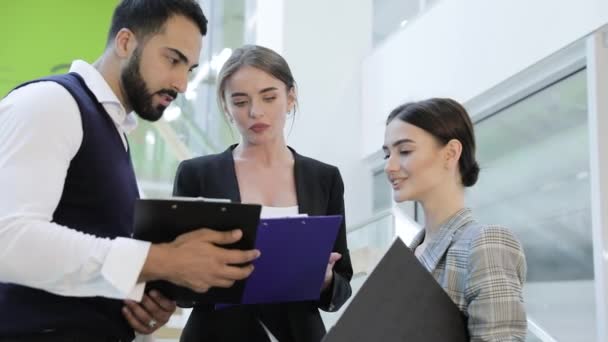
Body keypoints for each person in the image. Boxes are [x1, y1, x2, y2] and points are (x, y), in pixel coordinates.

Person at [0, 1, 261, 341]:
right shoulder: (51, 102)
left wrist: (134, 294)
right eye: (173, 59)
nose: (182, 83)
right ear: (125, 43)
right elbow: (10, 240)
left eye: (190, 69)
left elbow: (81, 251)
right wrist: (164, 261)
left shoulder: (114, 134)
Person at [173, 44, 353, 342]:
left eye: (269, 97)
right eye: (240, 101)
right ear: (227, 107)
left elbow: (341, 285)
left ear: (290, 97)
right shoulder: (197, 175)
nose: (256, 112)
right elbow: (179, 288)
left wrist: (326, 280)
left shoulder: (324, 178)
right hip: (216, 333)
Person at [382, 98, 527, 341]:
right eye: (387, 155)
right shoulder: (406, 257)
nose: (389, 166)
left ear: (450, 153)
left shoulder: (484, 243)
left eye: (404, 151)